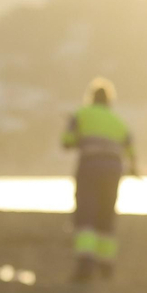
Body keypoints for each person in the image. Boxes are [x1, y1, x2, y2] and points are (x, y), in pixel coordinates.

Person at [61, 78, 136, 282]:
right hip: (113, 169)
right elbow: (130, 145)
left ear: (91, 98)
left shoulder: (80, 114)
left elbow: (67, 142)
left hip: (90, 167)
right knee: (106, 214)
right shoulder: (117, 121)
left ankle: (85, 263)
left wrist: (73, 130)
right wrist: (134, 168)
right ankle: (106, 265)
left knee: (86, 213)